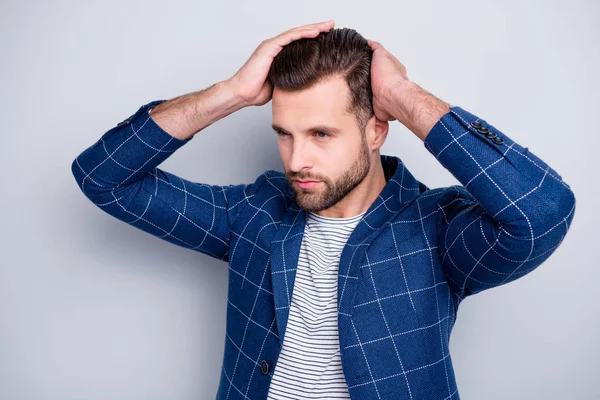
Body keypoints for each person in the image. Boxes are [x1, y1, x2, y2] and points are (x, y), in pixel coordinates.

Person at [71, 20, 576, 400]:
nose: (297, 160)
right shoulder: (254, 214)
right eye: (284, 134)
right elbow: (104, 178)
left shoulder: (436, 228)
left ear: (377, 129)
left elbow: (542, 213)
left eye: (321, 134)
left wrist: (402, 96)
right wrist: (229, 95)